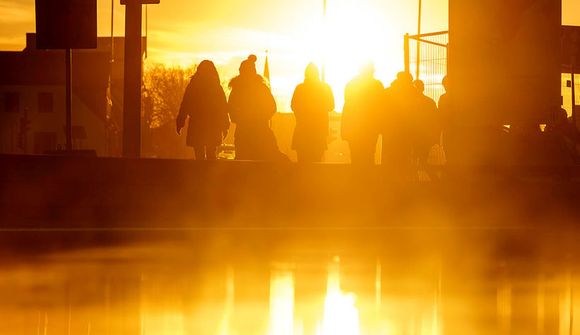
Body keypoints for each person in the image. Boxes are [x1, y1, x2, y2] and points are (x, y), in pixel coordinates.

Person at [228, 54, 283, 161]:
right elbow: (272, 107)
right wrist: (260, 118)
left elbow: (231, 109)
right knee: (263, 163)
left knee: (243, 165)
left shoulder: (237, 89)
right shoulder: (261, 88)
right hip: (260, 132)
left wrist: (240, 118)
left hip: (244, 133)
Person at [176, 60, 229, 160]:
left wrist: (180, 121)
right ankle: (209, 174)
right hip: (213, 125)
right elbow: (223, 108)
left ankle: (200, 173)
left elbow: (185, 104)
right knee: (211, 154)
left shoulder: (193, 86)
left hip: (197, 124)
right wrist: (225, 125)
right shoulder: (217, 87)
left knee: (199, 154)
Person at [291, 63, 335, 162]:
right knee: (316, 164)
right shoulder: (324, 88)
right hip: (319, 132)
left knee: (302, 164)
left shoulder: (300, 88)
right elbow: (331, 106)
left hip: (302, 131)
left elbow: (293, 106)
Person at [341, 62, 384, 164]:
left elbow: (348, 105)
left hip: (353, 128)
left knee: (355, 157)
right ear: (372, 71)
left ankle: (357, 178)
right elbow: (381, 106)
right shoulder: (377, 85)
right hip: (370, 128)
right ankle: (367, 178)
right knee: (369, 156)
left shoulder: (351, 84)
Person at [381, 72, 416, 175]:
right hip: (405, 130)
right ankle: (402, 181)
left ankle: (388, 180)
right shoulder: (412, 92)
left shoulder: (387, 91)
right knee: (404, 157)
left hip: (389, 129)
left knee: (389, 156)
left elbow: (380, 109)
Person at [412, 79, 438, 167]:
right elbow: (435, 120)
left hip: (413, 135)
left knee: (413, 161)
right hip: (425, 136)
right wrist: (434, 136)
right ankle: (434, 179)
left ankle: (414, 179)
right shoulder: (430, 102)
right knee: (423, 161)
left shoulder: (409, 103)